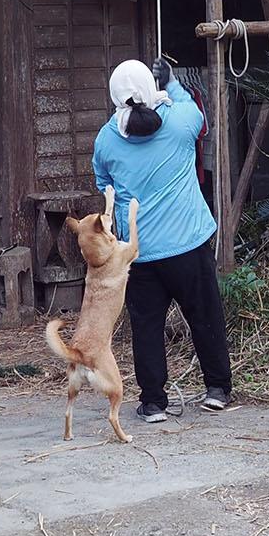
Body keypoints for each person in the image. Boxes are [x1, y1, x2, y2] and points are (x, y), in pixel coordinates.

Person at [92, 57, 233, 421]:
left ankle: (154, 402)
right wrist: (170, 82)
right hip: (189, 243)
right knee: (205, 317)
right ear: (150, 88)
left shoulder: (107, 139)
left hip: (139, 253)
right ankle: (217, 389)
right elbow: (195, 113)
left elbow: (102, 183)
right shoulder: (179, 123)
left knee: (147, 328)